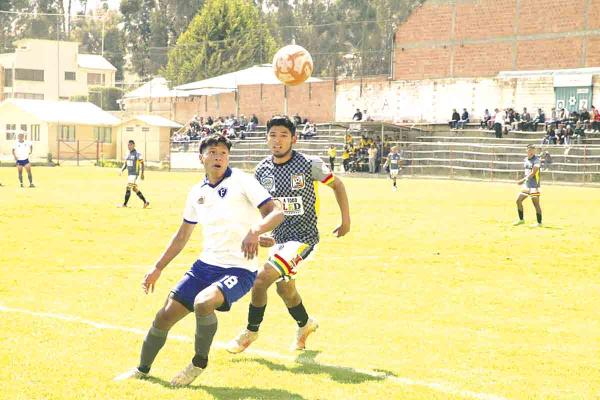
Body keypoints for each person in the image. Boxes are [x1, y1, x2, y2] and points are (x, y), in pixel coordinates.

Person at [114, 134, 284, 386]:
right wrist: (158, 267)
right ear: (201, 157)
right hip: (204, 266)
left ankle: (198, 363)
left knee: (204, 303)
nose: (219, 157)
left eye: (224, 153)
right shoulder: (197, 192)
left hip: (240, 269)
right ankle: (142, 370)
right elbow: (183, 234)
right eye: (213, 152)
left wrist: (256, 231)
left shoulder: (242, 181)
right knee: (163, 316)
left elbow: (276, 211)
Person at [226, 116, 351, 354]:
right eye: (273, 135)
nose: (278, 140)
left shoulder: (308, 164)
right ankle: (305, 325)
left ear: (294, 138)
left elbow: (338, 185)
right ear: (267, 138)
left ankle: (250, 332)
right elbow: (257, 206)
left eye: (284, 135)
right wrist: (259, 230)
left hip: (304, 239)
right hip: (279, 240)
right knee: (285, 290)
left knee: (262, 279)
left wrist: (345, 220)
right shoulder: (262, 170)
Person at [514, 144, 543, 227]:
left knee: (536, 204)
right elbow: (527, 172)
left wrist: (522, 180)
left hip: (534, 186)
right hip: (526, 185)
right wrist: (523, 180)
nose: (531, 151)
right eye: (529, 150)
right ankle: (521, 220)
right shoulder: (525, 159)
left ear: (534, 151)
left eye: (532, 150)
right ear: (526, 150)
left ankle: (539, 223)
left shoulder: (537, 160)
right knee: (518, 201)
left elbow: (533, 173)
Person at [119, 140, 150, 208]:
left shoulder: (137, 153)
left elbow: (142, 163)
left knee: (128, 187)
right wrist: (122, 170)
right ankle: (145, 202)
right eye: (128, 145)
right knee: (135, 189)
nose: (129, 146)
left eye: (130, 145)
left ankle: (124, 204)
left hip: (135, 174)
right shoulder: (127, 153)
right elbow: (126, 163)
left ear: (133, 145)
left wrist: (142, 173)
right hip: (130, 174)